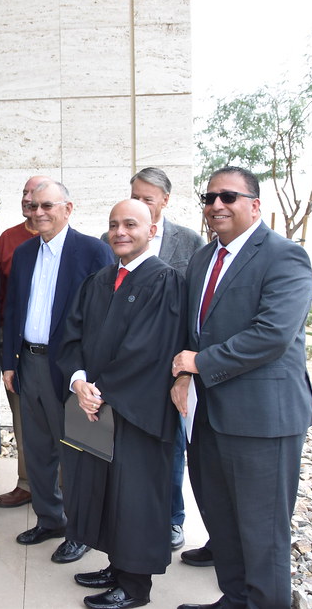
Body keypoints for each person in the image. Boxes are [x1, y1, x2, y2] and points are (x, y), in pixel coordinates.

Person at [171, 166, 312, 609]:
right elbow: (190, 332)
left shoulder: (284, 255)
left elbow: (272, 334)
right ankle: (235, 598)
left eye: (228, 197)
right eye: (209, 196)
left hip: (263, 418)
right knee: (223, 520)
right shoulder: (202, 258)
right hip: (207, 414)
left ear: (254, 205)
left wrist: (199, 363)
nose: (216, 204)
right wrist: (182, 374)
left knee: (262, 528)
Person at [59, 199, 187, 609]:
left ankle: (136, 587)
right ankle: (118, 566)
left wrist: (101, 391)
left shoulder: (165, 281)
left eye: (131, 224)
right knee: (108, 492)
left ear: (152, 230)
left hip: (138, 411)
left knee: (134, 497)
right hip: (99, 405)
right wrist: (79, 382)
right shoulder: (99, 279)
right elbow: (71, 335)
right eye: (114, 224)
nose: (120, 232)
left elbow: (148, 351)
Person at [2, 180, 113, 563]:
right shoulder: (24, 252)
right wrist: (8, 362)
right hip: (28, 364)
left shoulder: (94, 252)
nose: (38, 213)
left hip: (71, 370)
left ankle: (80, 531)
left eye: (47, 205)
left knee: (77, 454)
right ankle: (50, 519)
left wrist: (90, 375)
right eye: (32, 206)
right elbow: (13, 309)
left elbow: (102, 319)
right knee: (36, 449)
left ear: (68, 208)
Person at [101, 167, 205, 554]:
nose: (141, 203)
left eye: (147, 198)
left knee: (168, 450)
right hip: (121, 373)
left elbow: (193, 307)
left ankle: (173, 519)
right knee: (125, 463)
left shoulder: (188, 241)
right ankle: (123, 537)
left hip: (166, 364)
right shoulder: (112, 244)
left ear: (164, 200)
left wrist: (185, 372)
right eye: (136, 195)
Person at [0, 174, 53, 509]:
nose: (30, 199)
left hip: (56, 349)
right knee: (22, 417)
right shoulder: (9, 239)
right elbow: (2, 295)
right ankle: (27, 482)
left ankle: (60, 486)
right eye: (26, 193)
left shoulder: (76, 246)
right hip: (15, 341)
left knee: (58, 419)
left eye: (38, 195)